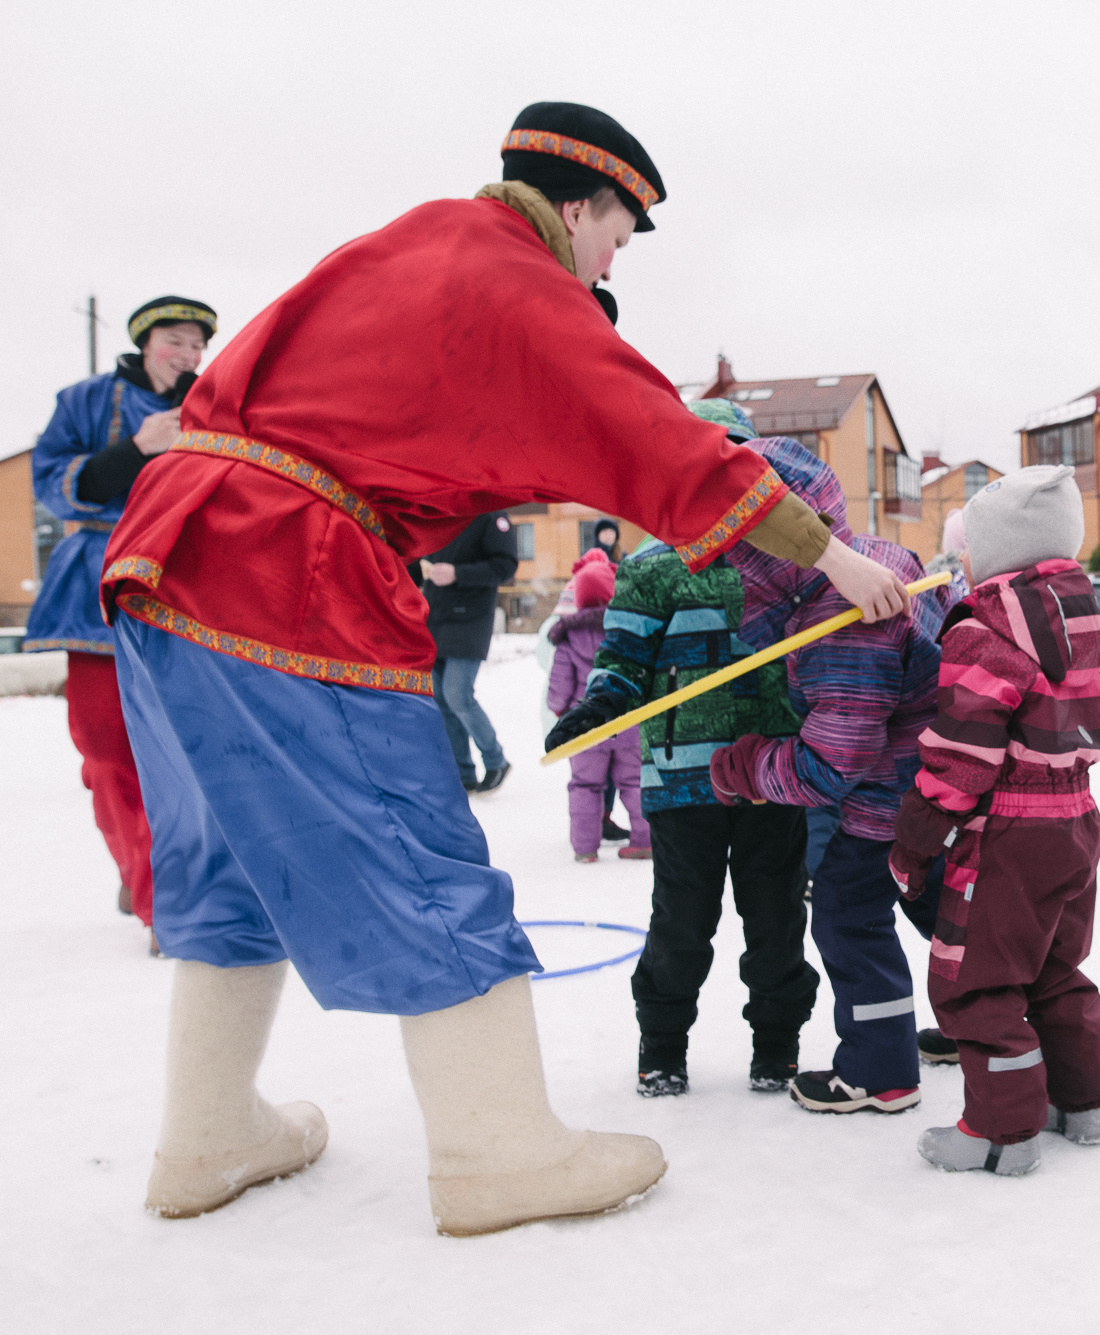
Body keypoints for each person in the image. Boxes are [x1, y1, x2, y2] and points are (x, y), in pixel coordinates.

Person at [101, 101, 913, 1236]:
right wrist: (827, 552)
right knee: (410, 844)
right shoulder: (515, 278)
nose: (608, 264)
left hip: (169, 549)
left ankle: (207, 1134)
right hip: (286, 566)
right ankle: (496, 1151)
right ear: (577, 206)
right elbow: (660, 439)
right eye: (618, 238)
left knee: (230, 858)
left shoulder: (410, 243)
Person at [544, 411, 820, 1097]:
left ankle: (776, 1044)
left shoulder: (785, 558)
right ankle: (662, 1045)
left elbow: (820, 651)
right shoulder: (652, 566)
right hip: (681, 782)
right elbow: (622, 659)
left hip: (772, 777)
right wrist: (601, 705)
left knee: (778, 921)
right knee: (682, 924)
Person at [695, 436, 951, 1115]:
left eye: (732, 556)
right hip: (932, 789)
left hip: (885, 802)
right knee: (943, 906)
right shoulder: (876, 559)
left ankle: (880, 1069)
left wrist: (746, 766)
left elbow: (832, 764)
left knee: (848, 913)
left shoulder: (840, 624)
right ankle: (986, 1015)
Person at [885, 465, 1100, 1175]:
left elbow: (963, 753)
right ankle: (1083, 1104)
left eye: (969, 550)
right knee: (1054, 966)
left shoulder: (984, 629)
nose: (960, 564)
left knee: (977, 980)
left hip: (1012, 832)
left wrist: (917, 835)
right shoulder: (1081, 619)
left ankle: (1000, 1130)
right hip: (1077, 817)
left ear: (997, 551)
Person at [26, 296, 215, 938]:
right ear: (144, 342)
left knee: (191, 751)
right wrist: (137, 447)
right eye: (176, 341)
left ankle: (165, 871)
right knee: (108, 752)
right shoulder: (83, 400)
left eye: (197, 345)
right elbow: (51, 485)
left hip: (186, 587)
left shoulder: (218, 403)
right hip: (94, 591)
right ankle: (159, 899)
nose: (188, 356)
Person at [545, 550, 648, 862]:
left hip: (585, 726)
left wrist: (559, 709)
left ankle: (585, 848)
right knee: (634, 782)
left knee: (585, 786)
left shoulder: (568, 636)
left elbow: (559, 686)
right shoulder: (627, 631)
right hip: (627, 722)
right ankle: (645, 840)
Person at [414, 510, 519, 791]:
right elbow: (417, 562)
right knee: (440, 698)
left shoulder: (491, 516)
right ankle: (462, 773)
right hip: (436, 617)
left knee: (457, 694)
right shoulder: (441, 512)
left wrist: (458, 574)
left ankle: (496, 760)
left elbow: (505, 565)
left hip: (470, 619)